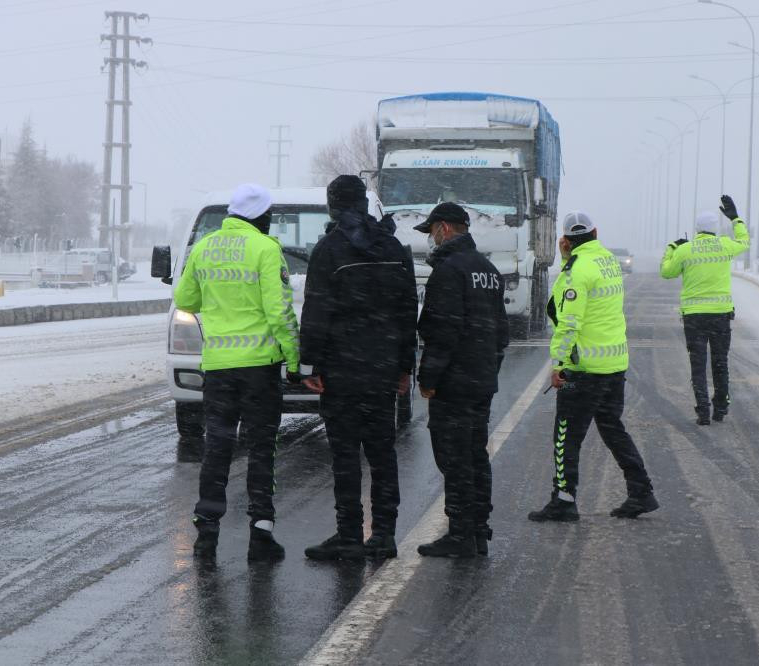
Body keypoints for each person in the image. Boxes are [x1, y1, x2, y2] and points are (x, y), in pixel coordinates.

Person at [174, 183, 300, 563]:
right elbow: (279, 312)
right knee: (262, 448)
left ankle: (206, 532)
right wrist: (293, 361)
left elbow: (185, 300)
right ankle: (261, 533)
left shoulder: (203, 248)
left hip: (219, 369)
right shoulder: (266, 249)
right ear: (261, 217)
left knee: (218, 447)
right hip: (260, 369)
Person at [299, 175, 418, 561]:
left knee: (346, 456)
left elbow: (315, 312)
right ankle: (383, 534)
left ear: (334, 205)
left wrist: (309, 365)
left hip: (342, 369)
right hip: (382, 368)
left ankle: (349, 533)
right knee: (383, 454)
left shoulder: (329, 249)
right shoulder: (394, 247)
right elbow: (407, 312)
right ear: (364, 203)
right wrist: (404, 366)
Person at [528, 212, 658, 523]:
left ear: (567, 241)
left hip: (584, 367)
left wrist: (558, 365)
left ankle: (563, 499)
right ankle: (641, 490)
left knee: (566, 435)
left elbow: (564, 318)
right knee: (613, 430)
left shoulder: (576, 271)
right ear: (596, 232)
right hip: (614, 364)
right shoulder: (609, 262)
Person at [415, 202, 509, 558]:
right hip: (481, 379)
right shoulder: (487, 269)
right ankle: (478, 529)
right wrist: (488, 368)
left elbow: (442, 333)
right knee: (475, 456)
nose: (431, 239)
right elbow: (501, 332)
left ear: (446, 228)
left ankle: (459, 532)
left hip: (454, 382)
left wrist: (429, 377)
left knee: (454, 459)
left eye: (432, 231)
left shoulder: (448, 271)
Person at [660, 195, 750, 425]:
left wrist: (672, 247)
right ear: (714, 229)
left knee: (698, 364)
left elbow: (667, 272)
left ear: (697, 229)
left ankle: (702, 410)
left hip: (694, 318)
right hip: (720, 316)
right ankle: (721, 408)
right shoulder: (724, 245)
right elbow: (744, 242)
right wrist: (736, 219)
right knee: (720, 363)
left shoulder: (686, 250)